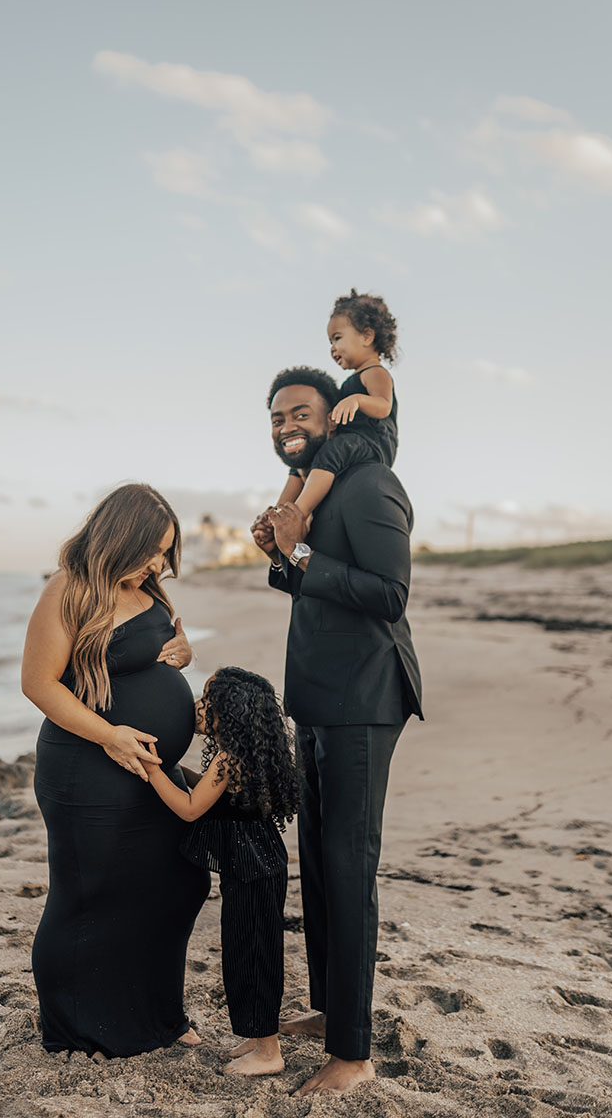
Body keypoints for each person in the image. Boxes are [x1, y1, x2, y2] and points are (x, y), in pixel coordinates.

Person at [251, 367, 423, 1098]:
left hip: (364, 696)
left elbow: (388, 594)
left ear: (336, 418)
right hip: (315, 699)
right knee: (318, 864)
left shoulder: (370, 482)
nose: (285, 424)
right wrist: (281, 551)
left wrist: (301, 554)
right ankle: (330, 1012)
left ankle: (352, 1053)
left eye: (299, 412)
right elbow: (304, 581)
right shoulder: (312, 491)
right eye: (275, 416)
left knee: (348, 868)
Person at [21, 483, 210, 1059]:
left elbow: (158, 650)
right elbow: (38, 683)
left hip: (149, 770)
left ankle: (157, 1013)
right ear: (117, 537)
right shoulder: (70, 589)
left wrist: (182, 653)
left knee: (172, 885)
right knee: (89, 895)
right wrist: (111, 736)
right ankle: (76, 1026)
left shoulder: (146, 589)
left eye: (166, 551)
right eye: (152, 550)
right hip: (87, 770)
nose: (159, 563)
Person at [142, 666, 298, 1078]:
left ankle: (269, 1051)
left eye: (208, 700)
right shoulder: (247, 752)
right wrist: (178, 773)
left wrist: (153, 770)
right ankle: (256, 1035)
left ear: (229, 712)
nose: (198, 705)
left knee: (252, 955)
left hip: (252, 868)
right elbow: (211, 794)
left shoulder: (230, 759)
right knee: (248, 950)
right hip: (259, 862)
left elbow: (191, 808)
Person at [276, 288, 398, 521]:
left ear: (367, 336)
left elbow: (384, 406)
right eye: (330, 341)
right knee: (310, 454)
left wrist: (357, 400)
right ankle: (280, 512)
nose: (332, 348)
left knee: (331, 451)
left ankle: (299, 513)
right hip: (352, 443)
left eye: (338, 338)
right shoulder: (352, 380)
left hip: (374, 443)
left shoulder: (375, 372)